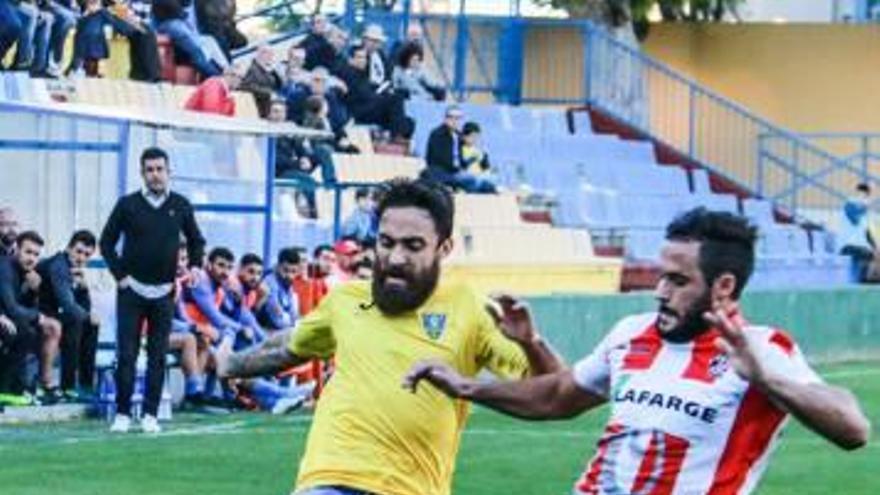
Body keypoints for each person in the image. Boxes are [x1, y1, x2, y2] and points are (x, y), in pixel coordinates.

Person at [406, 207, 872, 495]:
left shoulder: (761, 349)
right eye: (660, 276)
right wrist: (468, 386)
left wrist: (767, 379)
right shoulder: (632, 332)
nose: (661, 291)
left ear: (724, 285)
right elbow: (557, 395)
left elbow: (853, 428)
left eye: (678, 280)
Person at [215, 178, 563, 495]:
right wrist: (230, 363)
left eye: (413, 246)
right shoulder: (346, 300)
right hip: (330, 482)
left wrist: (531, 342)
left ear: (444, 248)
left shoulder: (469, 308)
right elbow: (288, 347)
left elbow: (555, 389)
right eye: (386, 242)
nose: (395, 257)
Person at [99, 146, 206, 434]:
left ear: (169, 171)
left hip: (164, 292)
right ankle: (122, 413)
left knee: (158, 355)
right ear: (142, 173)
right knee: (128, 353)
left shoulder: (181, 205)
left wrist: (195, 266)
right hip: (131, 291)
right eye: (150, 169)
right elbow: (106, 242)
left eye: (160, 169)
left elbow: (197, 241)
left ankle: (150, 415)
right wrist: (120, 275)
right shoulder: (127, 205)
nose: (155, 174)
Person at [35, 230, 100, 402]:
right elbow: (68, 305)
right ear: (69, 248)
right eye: (78, 251)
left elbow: (83, 307)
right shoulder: (59, 266)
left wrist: (84, 287)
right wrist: (87, 315)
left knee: (90, 325)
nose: (81, 258)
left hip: (54, 315)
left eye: (87, 255)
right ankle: (68, 386)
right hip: (37, 314)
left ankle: (86, 384)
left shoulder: (74, 270)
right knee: (77, 320)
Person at [0, 231, 63, 404]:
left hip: (10, 318)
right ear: (16, 249)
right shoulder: (4, 268)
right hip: (4, 318)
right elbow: (11, 308)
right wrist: (37, 317)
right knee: (23, 331)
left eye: (36, 254)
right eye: (28, 252)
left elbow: (24, 307)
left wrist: (34, 291)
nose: (32, 258)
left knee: (49, 327)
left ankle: (42, 385)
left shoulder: (27, 273)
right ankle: (9, 388)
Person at [182, 247, 263, 351]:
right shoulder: (201, 280)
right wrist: (241, 328)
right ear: (209, 265)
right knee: (233, 333)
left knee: (243, 336)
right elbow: (215, 317)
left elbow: (241, 316)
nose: (225, 272)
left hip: (205, 329)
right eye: (221, 265)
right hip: (189, 328)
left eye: (229, 268)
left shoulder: (223, 285)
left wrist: (237, 303)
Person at [339, 44, 414, 141]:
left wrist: (383, 91)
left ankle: (399, 143)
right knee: (395, 99)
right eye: (359, 57)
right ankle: (396, 137)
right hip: (358, 111)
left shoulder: (363, 74)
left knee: (409, 122)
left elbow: (370, 89)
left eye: (365, 58)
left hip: (370, 106)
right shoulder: (346, 72)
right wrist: (380, 95)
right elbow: (363, 94)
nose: (363, 60)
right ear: (350, 59)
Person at [424, 105, 496, 194]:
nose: (454, 121)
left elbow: (460, 160)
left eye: (458, 118)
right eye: (451, 117)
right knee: (472, 181)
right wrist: (459, 170)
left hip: (456, 172)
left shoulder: (458, 136)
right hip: (442, 173)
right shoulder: (437, 134)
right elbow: (439, 159)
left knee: (486, 182)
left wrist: (470, 161)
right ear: (445, 119)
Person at [256, 247, 301, 332]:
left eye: (293, 271)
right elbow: (278, 321)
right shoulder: (269, 282)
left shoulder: (288, 284)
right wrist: (293, 322)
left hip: (282, 329)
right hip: (266, 329)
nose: (289, 276)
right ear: (278, 266)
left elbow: (294, 315)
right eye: (285, 270)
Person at [839, 182, 876, 282]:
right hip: (848, 245)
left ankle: (859, 281)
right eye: (863, 195)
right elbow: (854, 220)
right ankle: (863, 282)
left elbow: (867, 233)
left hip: (859, 245)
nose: (864, 199)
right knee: (868, 255)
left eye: (866, 196)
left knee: (872, 255)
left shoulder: (863, 213)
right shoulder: (849, 205)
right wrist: (864, 207)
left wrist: (875, 247)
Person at [240, 44, 282, 118]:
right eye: (269, 54)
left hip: (266, 108)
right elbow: (247, 86)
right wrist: (269, 93)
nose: (271, 57)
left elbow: (279, 85)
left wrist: (274, 72)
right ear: (260, 54)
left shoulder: (268, 69)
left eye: (272, 54)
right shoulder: (252, 69)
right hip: (256, 108)